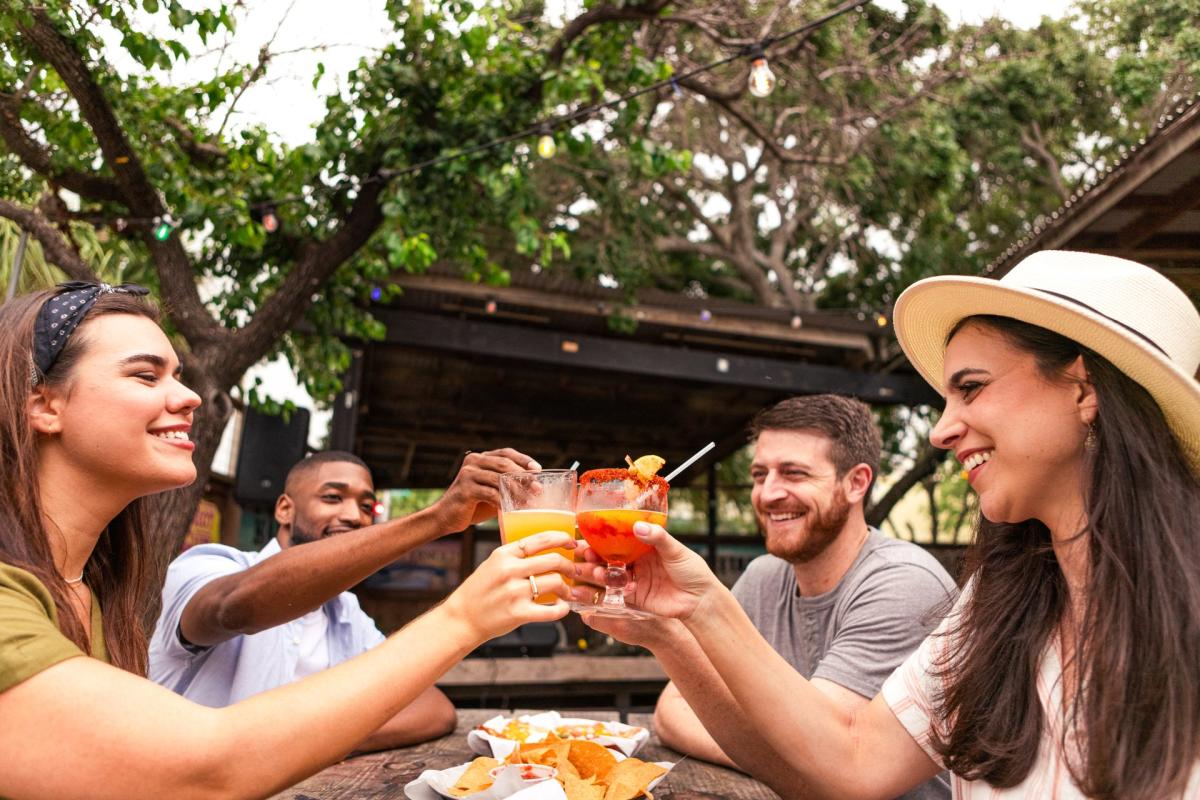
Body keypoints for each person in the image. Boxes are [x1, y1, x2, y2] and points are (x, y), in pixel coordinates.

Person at [577, 251, 1200, 798]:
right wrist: (690, 611)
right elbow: (849, 763)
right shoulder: (997, 604)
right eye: (758, 473)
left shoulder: (907, 581)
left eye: (972, 388)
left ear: (1083, 389)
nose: (940, 429)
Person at [0, 282, 576, 799]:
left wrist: (299, 733)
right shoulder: (207, 565)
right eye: (146, 375)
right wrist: (464, 611)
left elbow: (427, 706)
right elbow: (212, 742)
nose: (190, 397)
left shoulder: (90, 589)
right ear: (44, 404)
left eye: (178, 375)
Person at [634, 395, 954, 799]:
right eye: (759, 474)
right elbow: (673, 709)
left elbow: (824, 766)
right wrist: (771, 757)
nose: (768, 494)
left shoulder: (903, 584)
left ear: (856, 483)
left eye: (794, 473)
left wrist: (772, 756)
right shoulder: (764, 578)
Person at [150, 447, 529, 750]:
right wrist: (437, 518)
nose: (353, 516)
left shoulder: (344, 611)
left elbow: (432, 709)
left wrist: (303, 745)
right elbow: (235, 607)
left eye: (366, 506)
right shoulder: (209, 567)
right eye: (333, 498)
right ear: (285, 509)